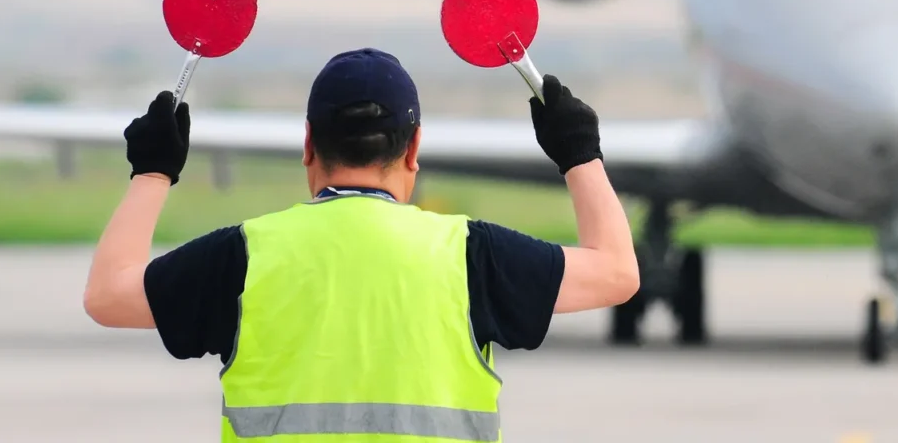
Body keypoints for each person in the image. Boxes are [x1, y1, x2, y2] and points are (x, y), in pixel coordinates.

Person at [81, 48, 640, 441]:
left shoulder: (244, 256)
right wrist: (579, 154)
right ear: (414, 146)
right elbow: (617, 272)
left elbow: (108, 294)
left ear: (308, 144)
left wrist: (153, 172)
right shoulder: (470, 255)